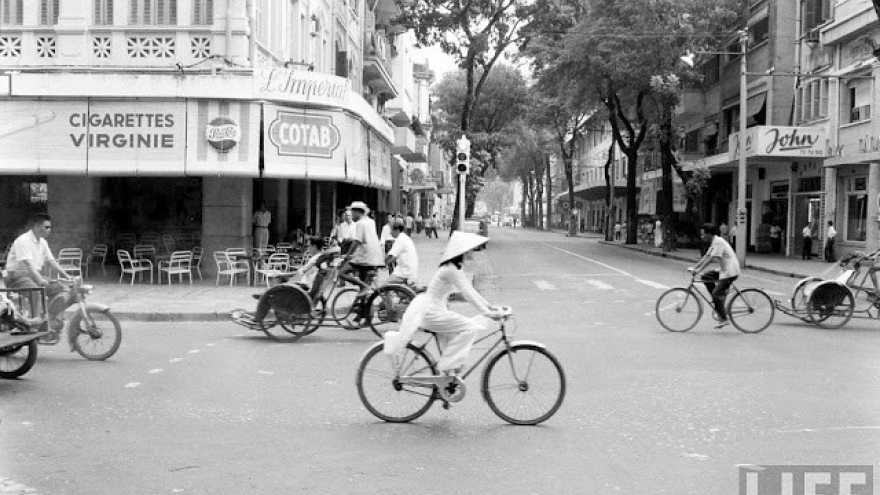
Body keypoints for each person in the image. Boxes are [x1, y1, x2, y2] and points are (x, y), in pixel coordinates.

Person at [383, 231, 502, 373]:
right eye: (470, 250)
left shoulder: (454, 268)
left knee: (455, 338)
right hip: (432, 313)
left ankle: (447, 378)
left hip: (435, 310)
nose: (472, 252)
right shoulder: (451, 270)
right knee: (470, 328)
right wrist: (487, 312)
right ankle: (447, 365)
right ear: (462, 251)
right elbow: (467, 293)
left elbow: (470, 289)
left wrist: (488, 307)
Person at [5, 213, 72, 335]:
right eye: (46, 227)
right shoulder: (23, 241)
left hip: (32, 275)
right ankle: (34, 324)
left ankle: (50, 318)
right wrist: (40, 279)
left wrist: (66, 276)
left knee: (62, 287)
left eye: (50, 227)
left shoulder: (43, 242)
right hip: (16, 277)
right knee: (37, 290)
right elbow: (28, 265)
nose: (49, 230)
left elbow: (52, 261)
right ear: (36, 226)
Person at [690, 224, 741, 329]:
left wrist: (699, 270)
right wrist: (695, 267)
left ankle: (724, 318)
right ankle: (717, 301)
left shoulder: (718, 242)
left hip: (730, 271)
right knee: (706, 277)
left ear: (709, 234)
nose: (701, 236)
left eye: (703, 234)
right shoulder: (713, 242)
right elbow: (706, 256)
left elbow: (711, 259)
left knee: (716, 293)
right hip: (724, 270)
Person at [340, 201, 385, 320]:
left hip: (364, 258)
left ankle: (365, 287)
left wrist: (347, 255)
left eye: (352, 213)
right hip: (374, 257)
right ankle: (364, 316)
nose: (351, 215)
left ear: (357, 212)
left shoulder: (360, 223)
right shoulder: (371, 221)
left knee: (342, 273)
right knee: (364, 290)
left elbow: (357, 241)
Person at [385, 218, 418, 286]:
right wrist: (385, 264)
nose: (390, 232)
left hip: (404, 271)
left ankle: (393, 297)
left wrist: (379, 263)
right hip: (411, 270)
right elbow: (394, 257)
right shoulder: (405, 238)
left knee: (384, 287)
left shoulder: (400, 239)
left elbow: (390, 255)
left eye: (391, 230)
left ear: (397, 230)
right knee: (400, 292)